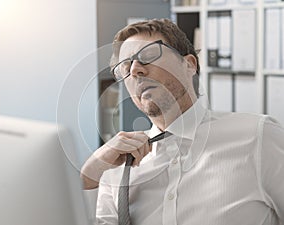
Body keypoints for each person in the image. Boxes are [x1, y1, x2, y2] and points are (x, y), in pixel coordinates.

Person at [81, 18, 284, 225]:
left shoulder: (258, 137)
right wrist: (89, 176)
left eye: (149, 55)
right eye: (125, 68)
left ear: (189, 64)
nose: (135, 70)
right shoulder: (114, 169)